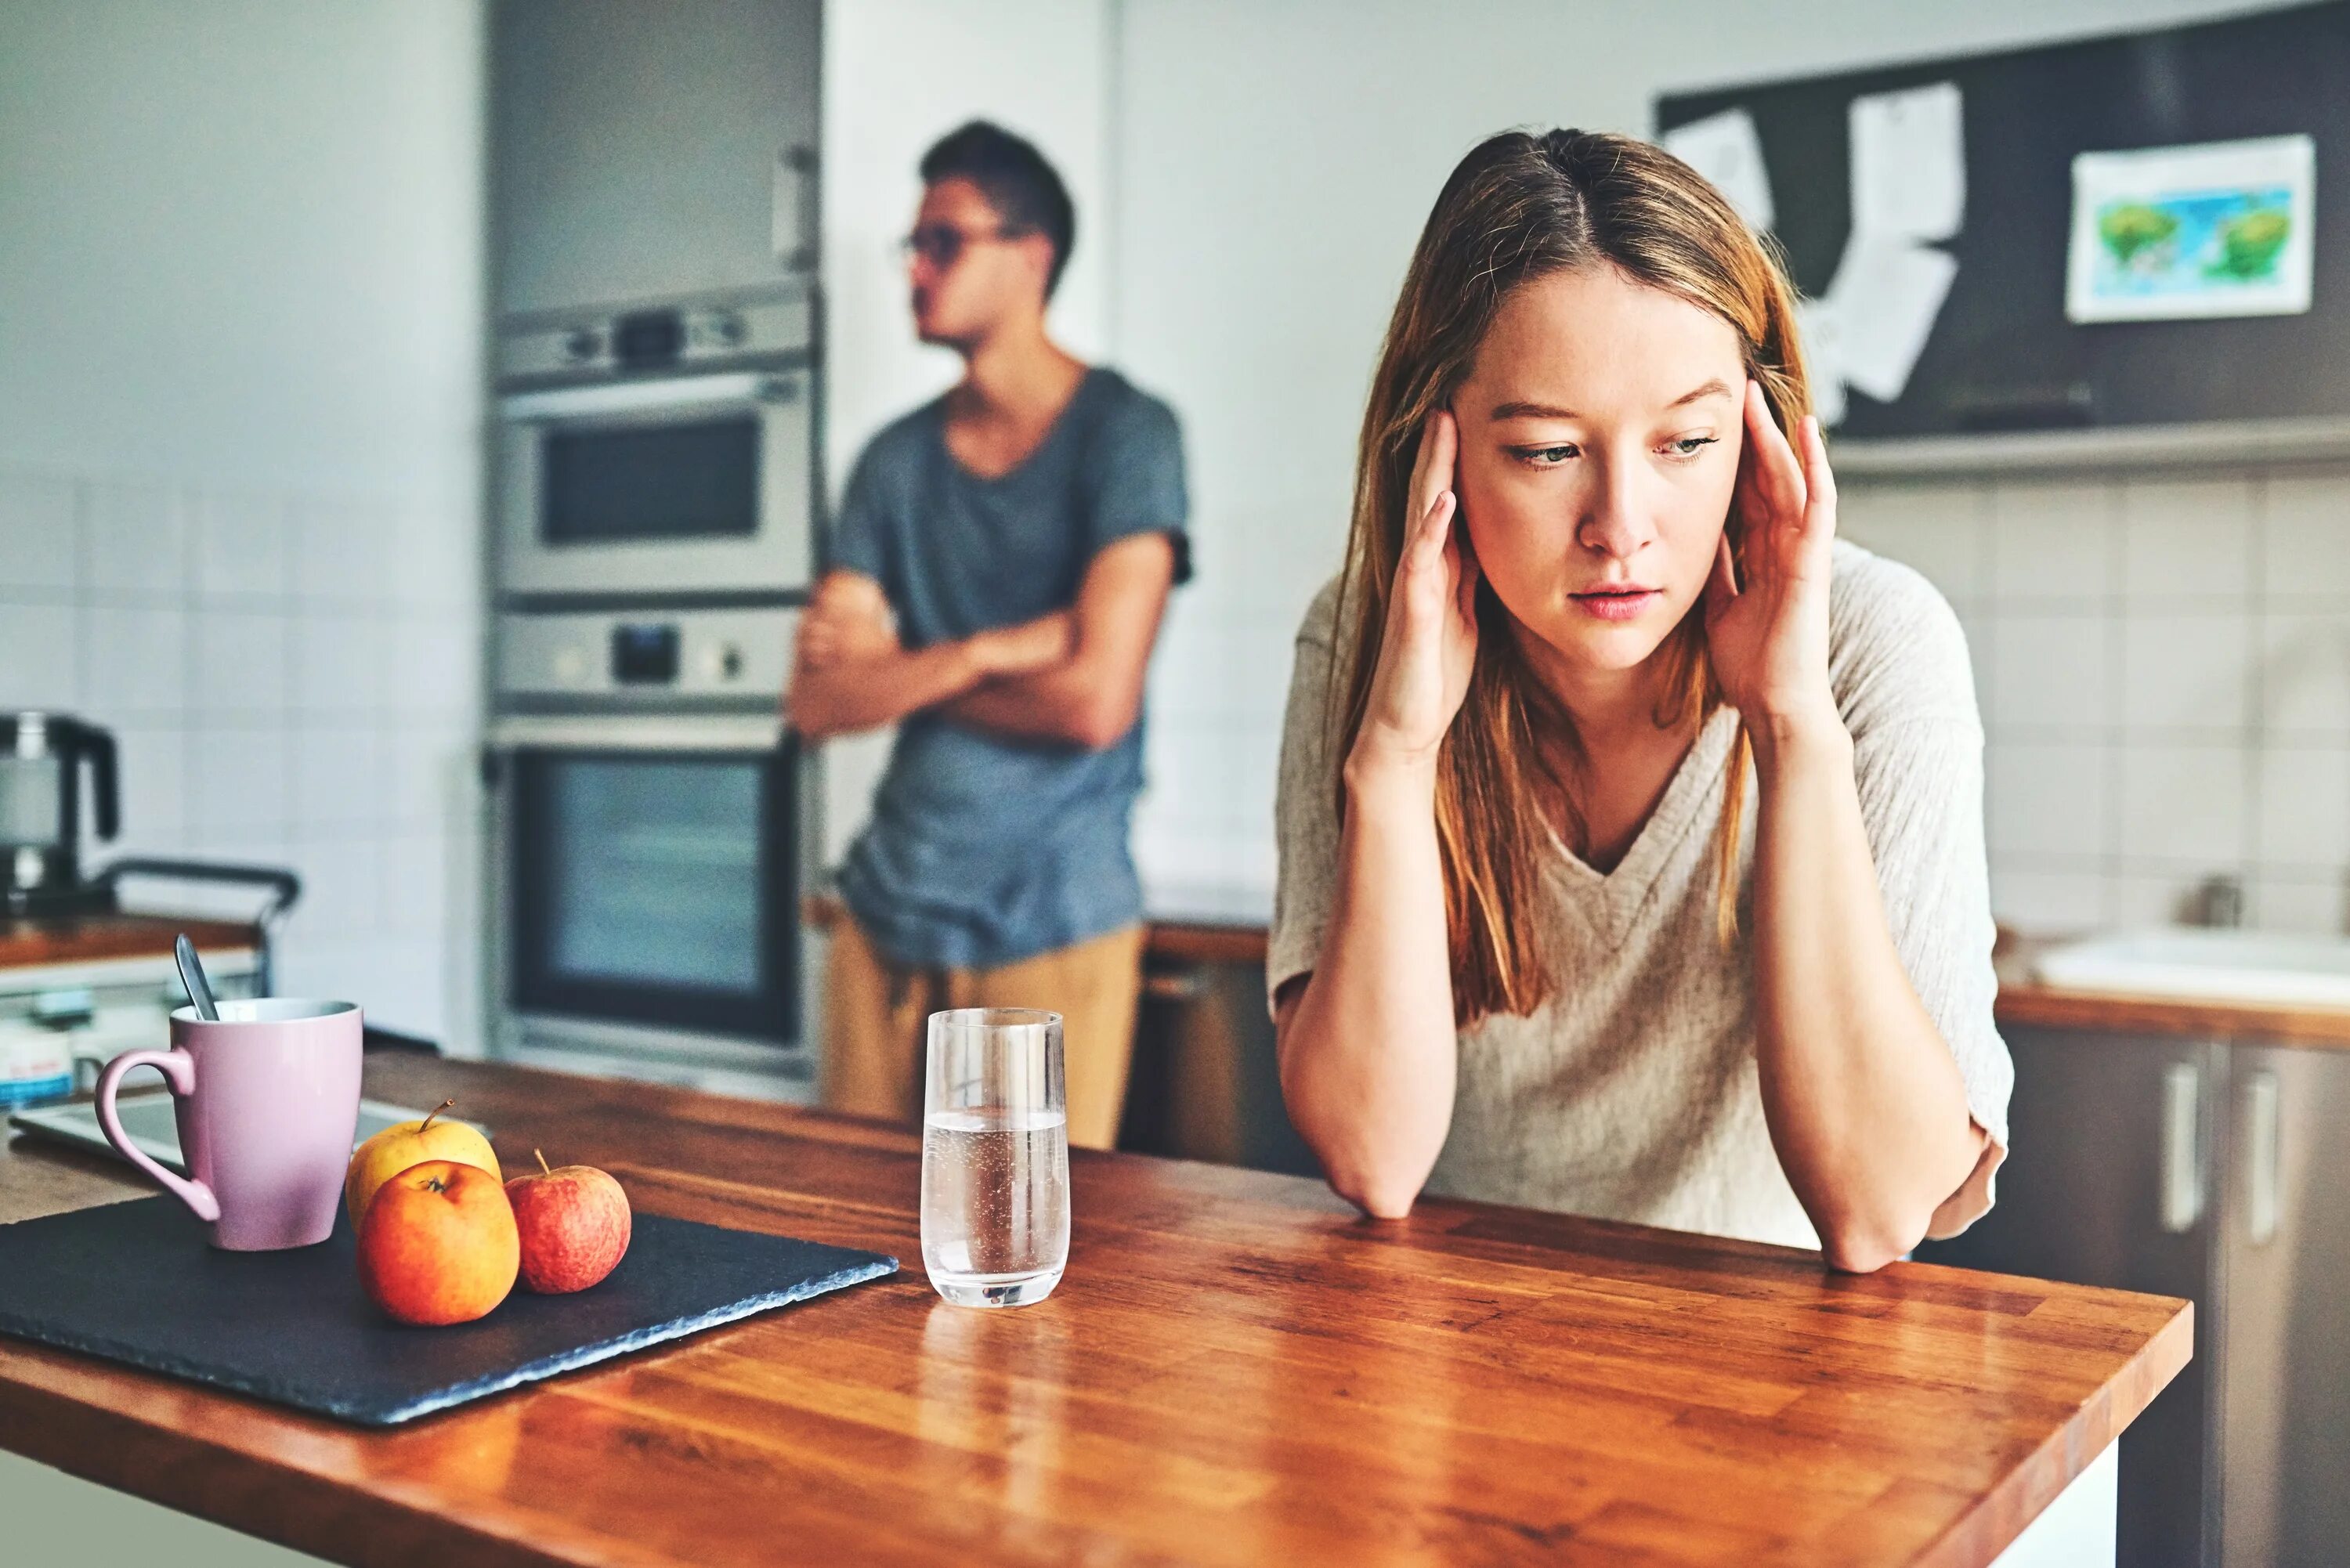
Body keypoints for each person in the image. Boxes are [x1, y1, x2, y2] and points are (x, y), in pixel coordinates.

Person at [1269, 128, 2011, 1272]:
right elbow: (1374, 1156)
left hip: (1779, 1375)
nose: (1623, 524)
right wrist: (1398, 752)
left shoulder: (1876, 645)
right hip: (1465, 1355)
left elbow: (1879, 1209)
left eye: (1688, 441)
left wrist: (1793, 722)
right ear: (1442, 449)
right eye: (1549, 450)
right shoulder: (1365, 635)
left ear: (1761, 440)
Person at [788, 121, 1190, 1151]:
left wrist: (901, 669)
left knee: (1022, 1266)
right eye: (912, 246)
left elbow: (1096, 702)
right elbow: (820, 702)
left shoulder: (1128, 435)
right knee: (846, 1263)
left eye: (943, 241)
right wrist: (982, 650)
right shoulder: (890, 462)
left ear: (1031, 256)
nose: (915, 270)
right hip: (881, 919)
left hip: (1048, 926)